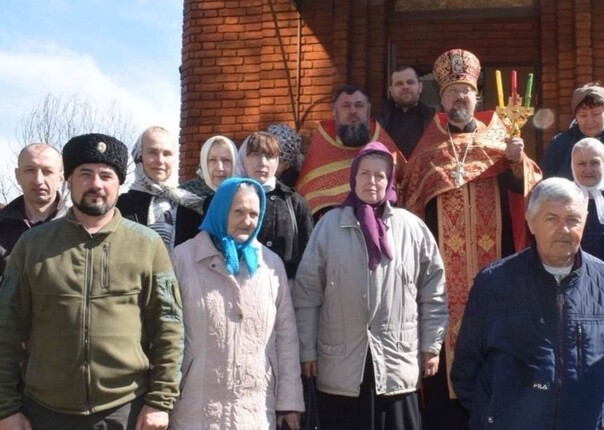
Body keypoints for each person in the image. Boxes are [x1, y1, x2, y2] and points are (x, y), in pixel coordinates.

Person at [400, 48, 542, 430]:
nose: (459, 97)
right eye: (451, 92)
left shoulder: (500, 140)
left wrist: (516, 162)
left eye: (465, 90)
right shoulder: (427, 153)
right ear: (441, 99)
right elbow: (411, 211)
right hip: (442, 280)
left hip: (493, 273)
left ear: (476, 95)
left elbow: (526, 195)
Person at [0, 133, 183, 429]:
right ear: (68, 180)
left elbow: (169, 327)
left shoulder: (147, 245)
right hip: (46, 412)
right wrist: (6, 407)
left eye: (106, 176)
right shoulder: (32, 245)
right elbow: (6, 327)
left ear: (119, 183)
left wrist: (159, 401)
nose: (96, 184)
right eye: (85, 174)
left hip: (124, 411)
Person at [451, 177, 604, 430]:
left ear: (585, 221)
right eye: (551, 219)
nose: (564, 229)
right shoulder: (494, 282)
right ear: (531, 222)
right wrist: (493, 415)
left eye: (572, 219)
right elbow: (466, 366)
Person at [293, 142, 447, 430]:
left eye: (379, 175)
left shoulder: (412, 229)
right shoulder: (329, 226)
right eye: (364, 174)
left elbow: (433, 290)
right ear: (353, 177)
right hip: (342, 367)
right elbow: (307, 293)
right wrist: (307, 351)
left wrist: (431, 345)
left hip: (395, 364)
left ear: (389, 181)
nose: (371, 181)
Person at [169, 177, 303, 429]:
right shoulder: (182, 259)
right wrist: (161, 400)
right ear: (220, 210)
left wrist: (289, 402)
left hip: (254, 410)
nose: (247, 220)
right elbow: (167, 335)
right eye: (238, 211)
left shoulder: (270, 264)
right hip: (195, 409)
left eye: (254, 213)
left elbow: (286, 337)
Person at [296, 84, 404, 217]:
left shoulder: (386, 148)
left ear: (368, 111)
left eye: (359, 105)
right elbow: (308, 198)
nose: (353, 111)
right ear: (334, 112)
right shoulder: (320, 152)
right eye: (346, 106)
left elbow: (405, 187)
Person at [236, 131, 313, 280]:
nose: (262, 163)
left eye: (269, 156)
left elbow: (309, 254)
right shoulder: (229, 199)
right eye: (255, 154)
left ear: (277, 161)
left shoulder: (294, 202)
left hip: (285, 292)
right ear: (243, 158)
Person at [117, 126, 204, 250]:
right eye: (152, 152)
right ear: (139, 156)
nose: (160, 160)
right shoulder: (119, 207)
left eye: (167, 154)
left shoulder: (191, 206)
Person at [0, 143, 67, 275]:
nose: (38, 180)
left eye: (47, 171)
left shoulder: (79, 227)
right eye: (30, 170)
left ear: (61, 178)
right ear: (18, 176)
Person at [540, 82, 604, 180]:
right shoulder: (560, 144)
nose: (589, 121)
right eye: (583, 115)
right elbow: (546, 180)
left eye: (595, 114)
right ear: (575, 116)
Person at [377, 65, 436, 157]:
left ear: (420, 87)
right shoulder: (379, 120)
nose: (405, 87)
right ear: (390, 90)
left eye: (410, 82)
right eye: (399, 83)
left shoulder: (433, 119)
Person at [179, 135, 239, 199]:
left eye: (226, 160)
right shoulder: (184, 194)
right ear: (203, 163)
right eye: (212, 160)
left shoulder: (244, 193)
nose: (220, 168)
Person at [267, 123, 305, 188]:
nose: (270, 164)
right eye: (268, 157)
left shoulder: (295, 188)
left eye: (279, 161)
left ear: (287, 165)